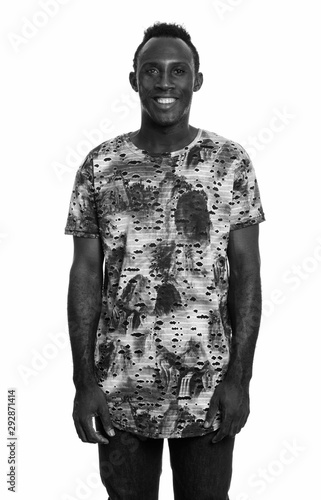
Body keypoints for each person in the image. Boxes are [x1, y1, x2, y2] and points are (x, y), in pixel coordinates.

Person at [65, 22, 265, 500]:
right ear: (134, 79)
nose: (164, 82)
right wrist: (83, 382)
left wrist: (240, 378)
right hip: (120, 389)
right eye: (151, 70)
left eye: (179, 71)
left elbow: (248, 277)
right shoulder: (101, 166)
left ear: (197, 80)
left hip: (208, 389)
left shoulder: (229, 162)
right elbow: (85, 275)